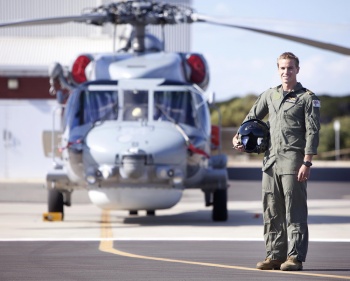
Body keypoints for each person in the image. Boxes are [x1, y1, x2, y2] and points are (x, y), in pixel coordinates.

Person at [232, 52, 321, 271]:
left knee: (294, 210)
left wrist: (307, 162)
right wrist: (238, 138)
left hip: (293, 161)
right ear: (278, 69)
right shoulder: (269, 95)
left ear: (297, 70)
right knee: (271, 210)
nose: (286, 72)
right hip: (270, 161)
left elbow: (313, 131)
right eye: (282, 68)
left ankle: (295, 257)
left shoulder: (307, 98)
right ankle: (274, 255)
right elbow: (250, 120)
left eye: (290, 68)